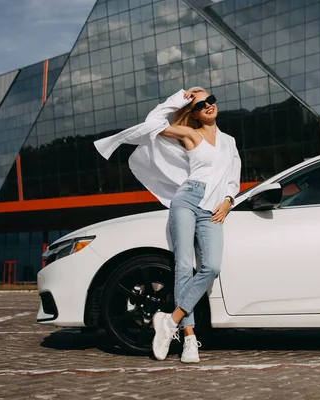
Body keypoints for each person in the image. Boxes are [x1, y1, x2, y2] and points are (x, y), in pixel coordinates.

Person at [93, 87, 241, 363]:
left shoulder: (229, 142)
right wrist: (178, 97)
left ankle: (169, 321)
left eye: (211, 100)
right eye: (200, 105)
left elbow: (234, 178)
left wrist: (229, 200)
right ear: (194, 113)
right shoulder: (190, 134)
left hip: (213, 208)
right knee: (183, 266)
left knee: (211, 267)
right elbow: (153, 124)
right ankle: (188, 339)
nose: (208, 105)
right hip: (186, 200)